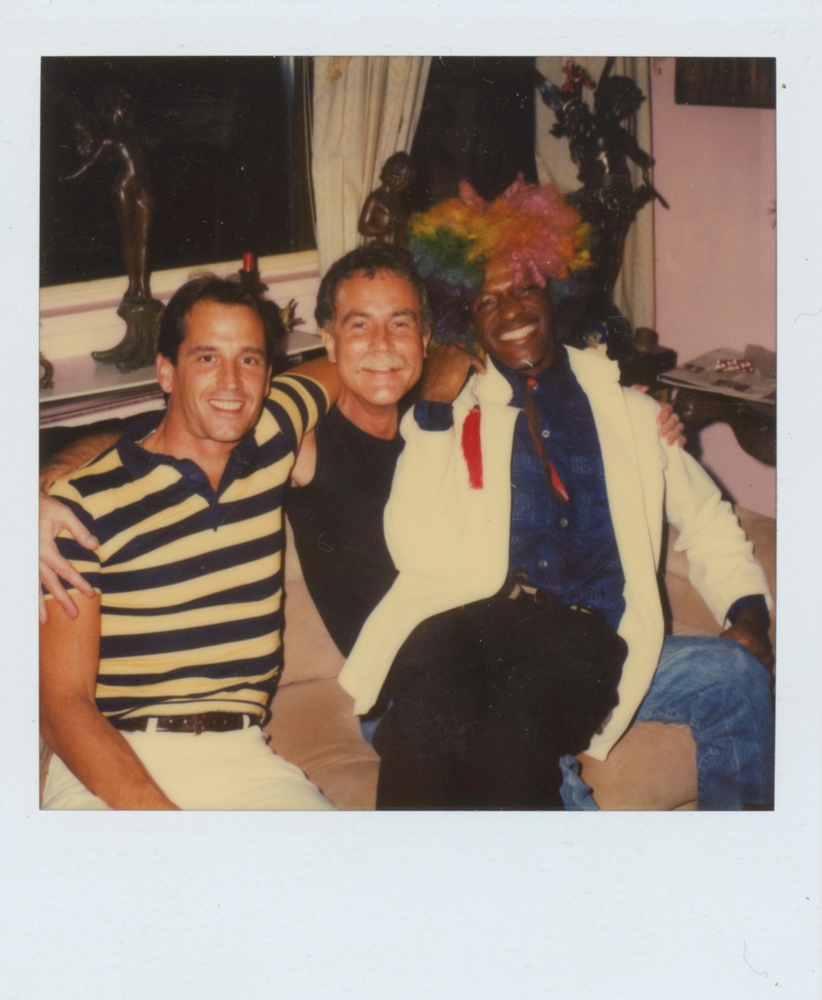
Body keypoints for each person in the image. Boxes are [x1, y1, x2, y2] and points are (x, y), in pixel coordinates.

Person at [39, 245, 685, 804]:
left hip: (516, 652)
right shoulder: (300, 437)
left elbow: (556, 398)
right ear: (328, 341)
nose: (382, 346)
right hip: (416, 692)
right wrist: (35, 493)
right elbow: (170, 433)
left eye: (400, 325)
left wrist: (644, 417)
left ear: (426, 340)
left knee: (728, 684)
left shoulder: (456, 410)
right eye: (359, 327)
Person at [338, 178, 774, 810]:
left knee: (737, 681)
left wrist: (748, 617)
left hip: (608, 646)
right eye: (486, 302)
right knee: (520, 771)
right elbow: (416, 551)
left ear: (554, 286)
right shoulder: (454, 415)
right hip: (480, 661)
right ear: (465, 320)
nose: (510, 313)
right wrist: (433, 409)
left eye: (522, 288)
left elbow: (705, 517)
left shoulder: (628, 410)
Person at [39, 274, 339, 810]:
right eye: (206, 358)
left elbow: (349, 364)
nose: (231, 382)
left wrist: (444, 359)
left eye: (248, 359)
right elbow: (64, 707)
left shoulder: (274, 431)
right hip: (110, 762)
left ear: (269, 376)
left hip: (243, 756)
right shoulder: (76, 507)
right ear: (165, 371)